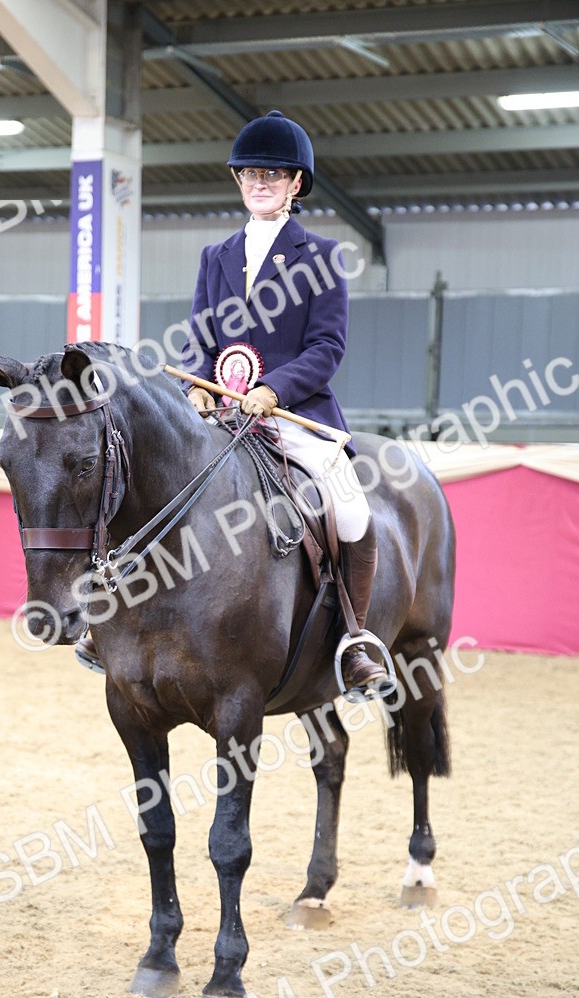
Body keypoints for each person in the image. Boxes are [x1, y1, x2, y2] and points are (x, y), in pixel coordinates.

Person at [180, 109, 392, 698]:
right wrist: (199, 382)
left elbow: (329, 346)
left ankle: (354, 640)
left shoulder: (321, 256)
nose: (260, 182)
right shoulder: (214, 257)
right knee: (158, 481)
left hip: (293, 414)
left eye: (274, 173)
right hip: (221, 416)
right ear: (238, 180)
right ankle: (124, 620)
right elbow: (199, 337)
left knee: (350, 511)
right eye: (250, 172)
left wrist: (274, 390)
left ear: (296, 183)